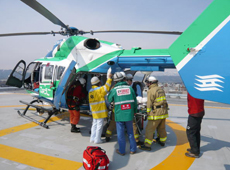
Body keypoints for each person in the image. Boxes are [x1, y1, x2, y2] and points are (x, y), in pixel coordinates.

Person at [107, 72, 137, 155]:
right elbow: (135, 101)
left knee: (120, 134)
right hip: (129, 114)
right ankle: (133, 149)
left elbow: (109, 99)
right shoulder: (130, 88)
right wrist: (135, 111)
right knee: (130, 132)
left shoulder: (114, 90)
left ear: (115, 81)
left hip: (119, 114)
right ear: (124, 79)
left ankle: (122, 151)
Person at [139, 76, 168, 151]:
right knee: (161, 128)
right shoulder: (160, 89)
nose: (147, 84)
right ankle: (162, 141)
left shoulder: (151, 90)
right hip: (163, 111)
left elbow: (149, 103)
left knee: (149, 129)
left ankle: (147, 145)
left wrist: (148, 112)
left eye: (148, 82)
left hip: (156, 112)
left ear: (151, 83)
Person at [89, 68, 112, 144]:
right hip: (100, 111)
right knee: (99, 125)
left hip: (94, 111)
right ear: (98, 83)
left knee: (94, 125)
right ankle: (97, 140)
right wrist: (109, 78)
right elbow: (107, 87)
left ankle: (92, 138)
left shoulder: (90, 91)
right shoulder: (99, 90)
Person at [105, 71, 126, 142]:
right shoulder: (127, 87)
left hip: (116, 108)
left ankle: (108, 135)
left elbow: (109, 99)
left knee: (113, 122)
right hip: (125, 108)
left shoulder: (114, 88)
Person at [126, 73, 144, 146]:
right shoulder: (126, 87)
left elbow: (139, 96)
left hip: (135, 106)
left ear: (130, 80)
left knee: (136, 123)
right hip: (128, 107)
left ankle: (137, 138)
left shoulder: (135, 86)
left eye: (127, 81)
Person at [185, 92, 205, 158]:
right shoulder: (199, 91)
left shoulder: (193, 92)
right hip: (199, 111)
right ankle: (196, 148)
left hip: (194, 113)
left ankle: (194, 152)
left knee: (190, 132)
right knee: (196, 132)